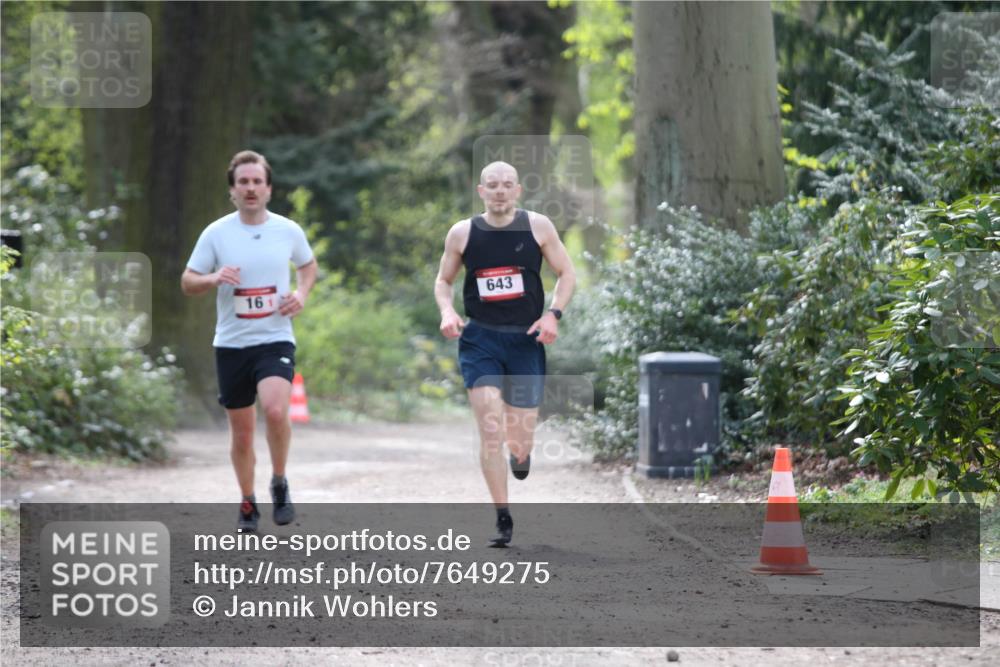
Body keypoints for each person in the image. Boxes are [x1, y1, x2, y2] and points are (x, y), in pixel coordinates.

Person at [434, 160, 576, 546]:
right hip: (480, 338)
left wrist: (552, 315)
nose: (499, 191)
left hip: (525, 339)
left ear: (517, 190)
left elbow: (567, 273)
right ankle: (502, 516)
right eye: (492, 185)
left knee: (519, 436)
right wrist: (447, 311)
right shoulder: (462, 233)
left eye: (507, 184)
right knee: (490, 427)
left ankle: (522, 454)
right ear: (481, 191)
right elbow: (444, 280)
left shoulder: (538, 227)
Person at [181, 150, 317, 532]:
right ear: (233, 190)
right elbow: (188, 281)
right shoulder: (216, 233)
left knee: (274, 411)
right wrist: (213, 278)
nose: (251, 188)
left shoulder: (287, 230)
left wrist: (301, 294)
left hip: (275, 338)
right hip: (231, 344)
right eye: (243, 182)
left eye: (258, 181)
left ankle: (279, 481)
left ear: (269, 189)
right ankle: (247, 501)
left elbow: (308, 265)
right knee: (241, 434)